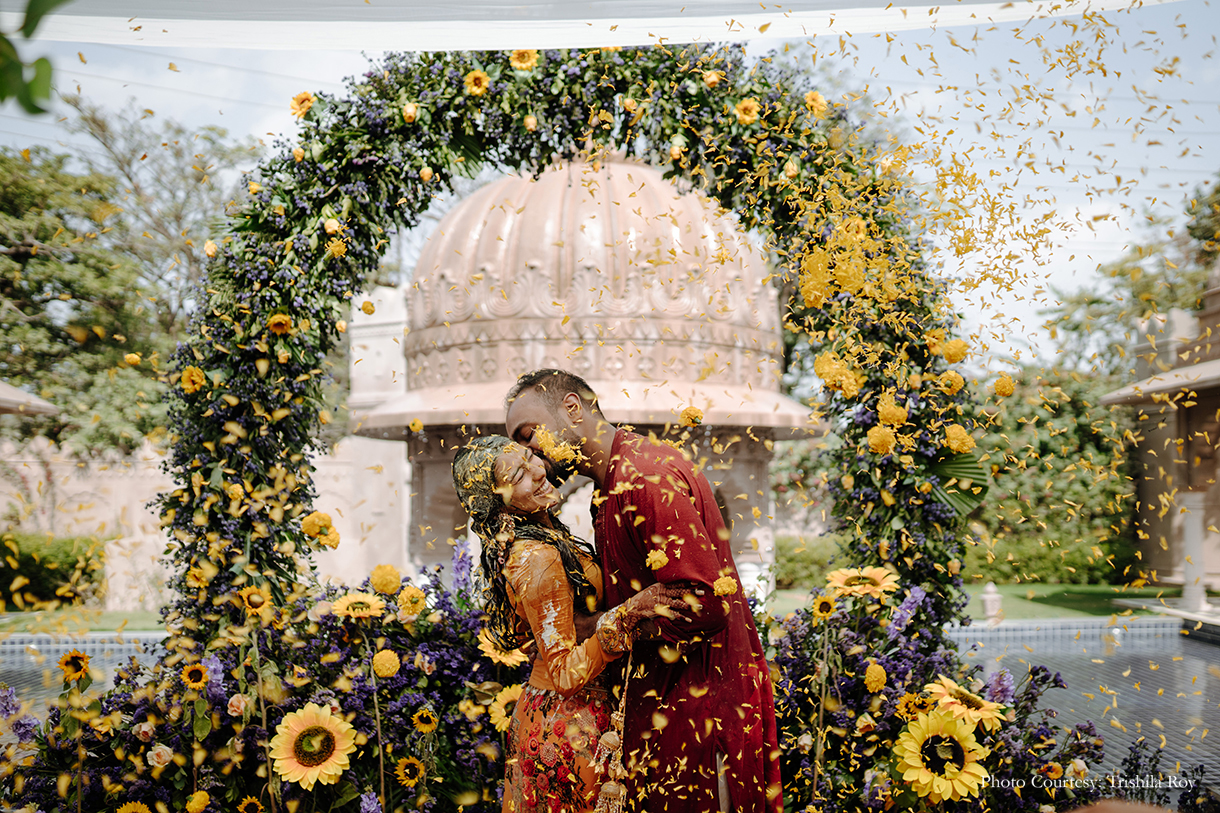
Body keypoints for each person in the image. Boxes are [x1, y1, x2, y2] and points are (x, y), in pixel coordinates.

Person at [505, 370, 784, 813]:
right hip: (663, 701)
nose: (530, 452)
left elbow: (705, 602)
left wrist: (598, 625)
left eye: (529, 433)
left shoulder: (644, 476)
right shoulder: (613, 480)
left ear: (573, 408)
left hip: (696, 706)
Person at [452, 435, 689, 813]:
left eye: (530, 457)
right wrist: (628, 614)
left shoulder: (542, 538)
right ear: (499, 503)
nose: (538, 470)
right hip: (568, 726)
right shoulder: (537, 557)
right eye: (518, 474)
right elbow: (563, 673)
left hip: (557, 716)